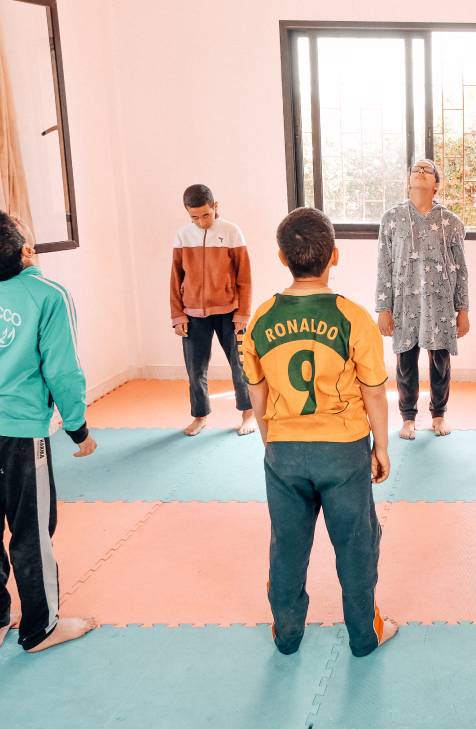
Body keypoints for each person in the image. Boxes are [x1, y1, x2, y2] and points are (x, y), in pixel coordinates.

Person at [240, 207, 397, 657]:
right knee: (356, 544)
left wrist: (270, 441)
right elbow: (374, 393)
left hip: (284, 450)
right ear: (335, 255)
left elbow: (258, 392)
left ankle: (287, 636)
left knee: (287, 546)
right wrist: (380, 446)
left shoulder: (262, 317)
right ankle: (365, 637)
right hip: (343, 451)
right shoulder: (353, 317)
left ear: (281, 257)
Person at [0, 210, 99, 653]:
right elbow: (64, 370)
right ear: (27, 250)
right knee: (32, 530)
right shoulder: (48, 293)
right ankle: (40, 628)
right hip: (16, 432)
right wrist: (78, 428)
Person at [375, 159, 469, 439]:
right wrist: (383, 308)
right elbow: (384, 264)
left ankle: (438, 415)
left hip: (439, 304)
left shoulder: (451, 222)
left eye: (428, 170)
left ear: (436, 184)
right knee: (405, 361)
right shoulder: (391, 218)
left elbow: (461, 269)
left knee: (440, 361)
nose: (421, 171)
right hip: (404, 303)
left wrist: (462, 310)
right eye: (416, 169)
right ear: (408, 181)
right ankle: (407, 417)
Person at [170, 184, 256, 437]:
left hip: (229, 312)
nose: (200, 222)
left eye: (205, 215)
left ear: (215, 206)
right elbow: (176, 278)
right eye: (194, 217)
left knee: (239, 364)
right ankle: (200, 416)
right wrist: (178, 314)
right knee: (195, 368)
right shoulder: (183, 235)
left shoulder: (231, 232)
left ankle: (248, 413)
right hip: (193, 313)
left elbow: (245, 277)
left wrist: (243, 313)